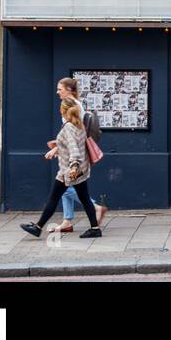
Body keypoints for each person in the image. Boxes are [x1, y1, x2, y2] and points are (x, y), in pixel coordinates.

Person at [19, 100, 101, 239]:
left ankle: (38, 227)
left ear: (63, 110)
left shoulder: (68, 128)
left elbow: (74, 149)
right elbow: (74, 145)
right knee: (85, 198)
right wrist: (59, 146)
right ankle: (95, 228)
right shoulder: (79, 125)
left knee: (53, 198)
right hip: (80, 169)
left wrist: (73, 167)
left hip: (68, 172)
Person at [48, 78, 107, 233]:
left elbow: (74, 134)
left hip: (74, 156)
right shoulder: (73, 104)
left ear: (69, 89)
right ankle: (67, 221)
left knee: (65, 187)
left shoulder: (73, 106)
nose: (57, 92)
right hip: (71, 155)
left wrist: (56, 149)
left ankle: (95, 208)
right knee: (66, 186)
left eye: (60, 89)